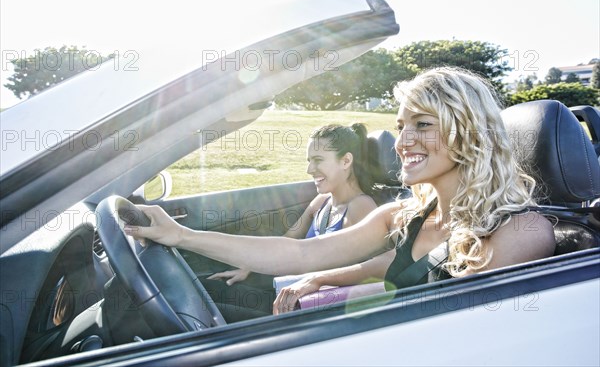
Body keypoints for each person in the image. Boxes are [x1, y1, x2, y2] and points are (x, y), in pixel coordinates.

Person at [126, 67, 556, 317]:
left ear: (470, 134)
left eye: (422, 124)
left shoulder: (522, 230)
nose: (403, 141)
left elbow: (443, 319)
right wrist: (180, 237)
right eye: (400, 126)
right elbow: (299, 254)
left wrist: (328, 297)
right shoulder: (404, 216)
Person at [198, 123, 379, 319]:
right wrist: (249, 266)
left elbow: (355, 271)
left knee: (210, 314)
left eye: (318, 160)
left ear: (345, 161)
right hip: (291, 291)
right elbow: (289, 241)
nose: (310, 169)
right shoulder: (321, 202)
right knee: (208, 289)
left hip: (314, 307)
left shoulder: (361, 207)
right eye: (309, 160)